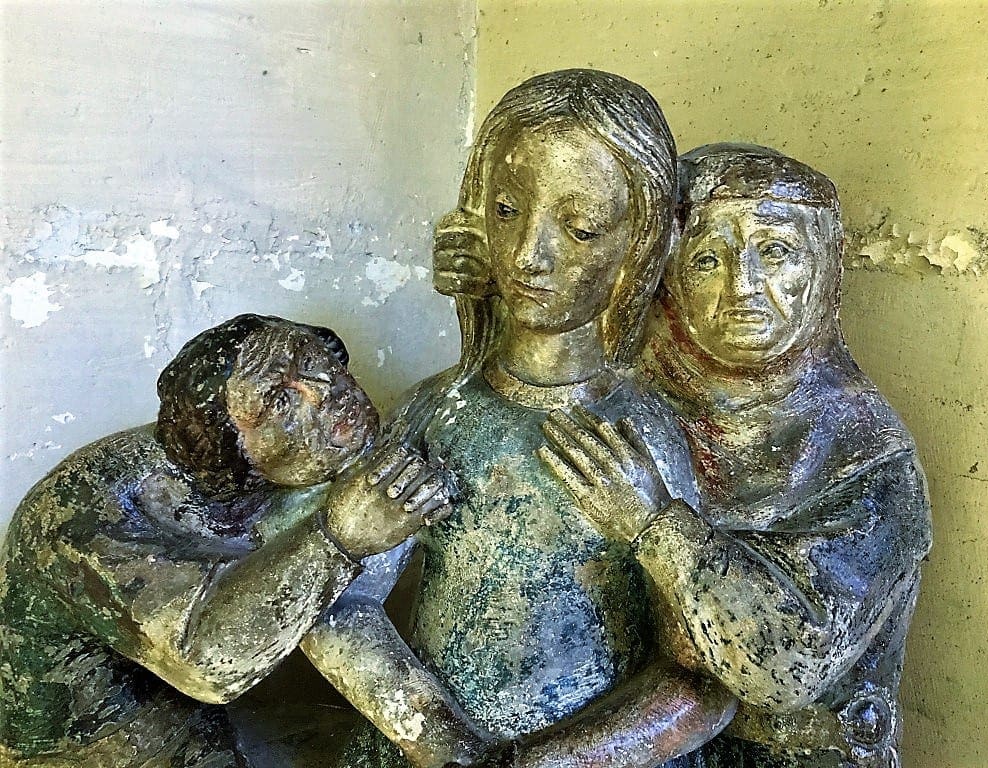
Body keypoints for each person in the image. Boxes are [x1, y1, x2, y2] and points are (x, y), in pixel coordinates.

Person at [301, 70, 735, 768]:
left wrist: (544, 762)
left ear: (639, 242)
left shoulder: (644, 436)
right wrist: (447, 746)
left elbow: (702, 677)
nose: (530, 255)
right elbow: (338, 607)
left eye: (581, 226)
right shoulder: (438, 413)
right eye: (506, 211)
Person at [541, 144, 932, 768]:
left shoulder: (866, 456)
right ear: (665, 277)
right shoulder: (641, 407)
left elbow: (789, 665)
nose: (741, 287)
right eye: (706, 259)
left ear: (825, 269)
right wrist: (484, 302)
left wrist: (656, 527)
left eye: (775, 252)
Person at [0, 314, 450, 767]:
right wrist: (338, 540)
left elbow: (341, 605)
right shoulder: (91, 510)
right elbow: (207, 664)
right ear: (227, 441)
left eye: (314, 361)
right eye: (279, 402)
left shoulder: (299, 466)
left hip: (200, 712)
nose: (324, 392)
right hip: (93, 740)